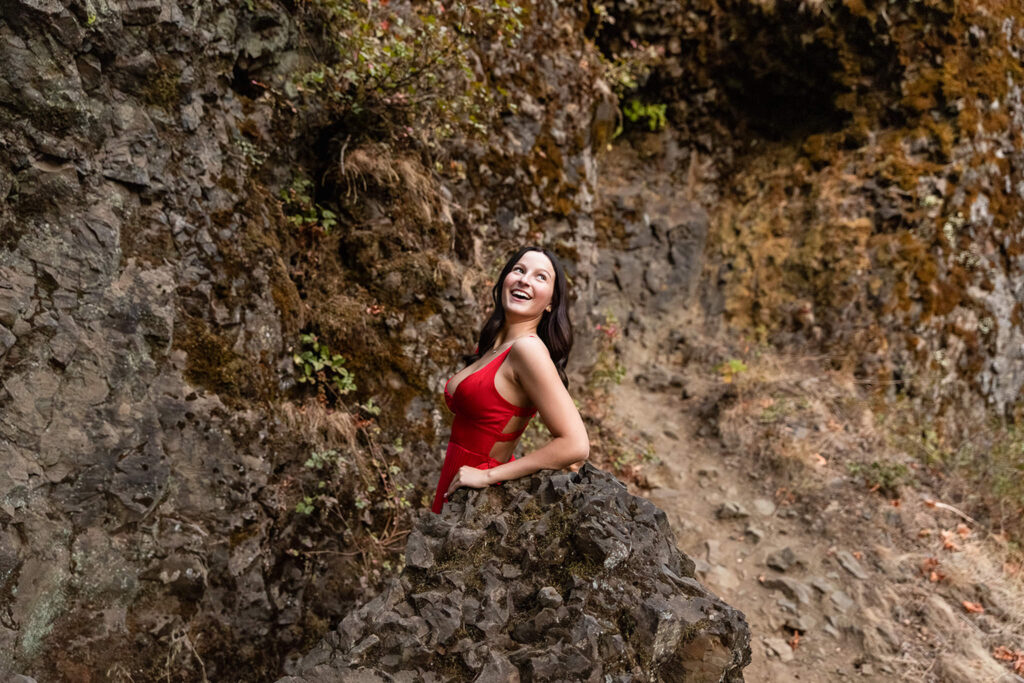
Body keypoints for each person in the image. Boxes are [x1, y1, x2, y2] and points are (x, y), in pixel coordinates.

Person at [431, 246, 590, 513]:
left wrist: (488, 476)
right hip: (454, 482)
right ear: (504, 279)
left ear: (551, 302)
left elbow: (575, 445)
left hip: (479, 496)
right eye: (519, 269)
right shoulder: (495, 345)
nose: (525, 280)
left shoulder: (527, 350)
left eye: (541, 277)